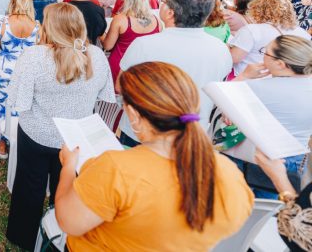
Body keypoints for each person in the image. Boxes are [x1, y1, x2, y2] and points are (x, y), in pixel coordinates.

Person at [54, 62, 253, 251]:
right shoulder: (229, 173)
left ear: (134, 115)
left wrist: (68, 168)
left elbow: (69, 222)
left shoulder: (117, 170)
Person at [5, 3, 115, 250]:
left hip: (37, 133)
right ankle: (59, 234)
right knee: (66, 189)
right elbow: (104, 95)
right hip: (74, 139)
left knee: (29, 185)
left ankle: (23, 234)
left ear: (49, 27)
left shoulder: (34, 57)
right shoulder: (95, 55)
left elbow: (19, 101)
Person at [118, 0, 232, 146]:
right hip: (192, 134)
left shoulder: (145, 44)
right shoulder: (221, 49)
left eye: (163, 1)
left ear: (170, 13)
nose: (160, 4)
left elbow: (122, 86)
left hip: (144, 133)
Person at [235, 35, 312, 195]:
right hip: (298, 157)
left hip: (260, 158)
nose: (263, 55)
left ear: (280, 64)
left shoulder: (256, 87)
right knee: (280, 209)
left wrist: (243, 77)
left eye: (266, 52)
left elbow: (218, 101)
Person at [0, 0, 39, 159]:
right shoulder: (37, 26)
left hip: (5, 73)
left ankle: (2, 147)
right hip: (27, 73)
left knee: (2, 106)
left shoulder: (4, 23)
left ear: (13, 4)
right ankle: (21, 143)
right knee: (24, 107)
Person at [229, 0, 311, 76]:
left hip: (249, 77)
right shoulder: (302, 33)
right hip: (285, 80)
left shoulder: (252, 30)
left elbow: (234, 58)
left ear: (258, 11)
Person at [101, 0, 161, 83]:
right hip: (144, 67)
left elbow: (108, 46)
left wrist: (100, 33)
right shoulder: (156, 20)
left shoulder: (120, 19)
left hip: (121, 65)